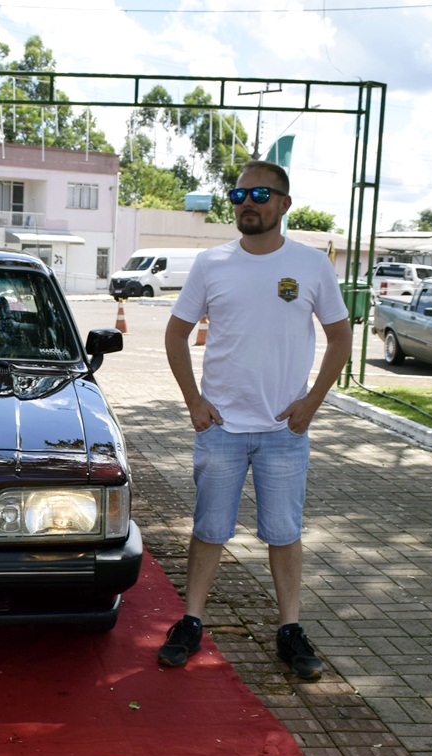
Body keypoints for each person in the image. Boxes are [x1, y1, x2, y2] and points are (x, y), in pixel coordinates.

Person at [157, 160, 353, 680]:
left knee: (284, 533)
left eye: (260, 194)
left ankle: (290, 629)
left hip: (284, 431)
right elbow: (176, 333)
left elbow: (340, 337)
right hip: (220, 428)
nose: (248, 202)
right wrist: (193, 401)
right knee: (209, 529)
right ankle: (191, 622)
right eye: (239, 194)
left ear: (284, 204)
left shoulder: (311, 264)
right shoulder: (211, 263)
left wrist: (312, 403)